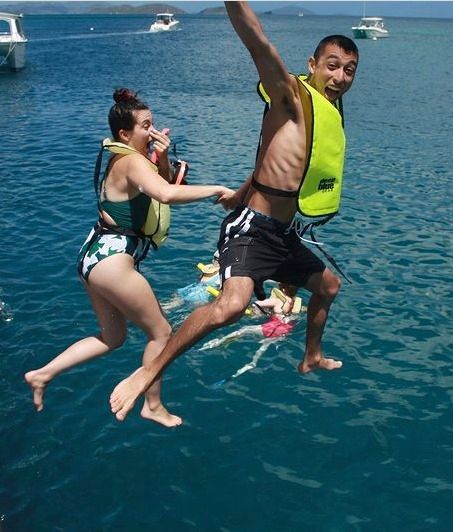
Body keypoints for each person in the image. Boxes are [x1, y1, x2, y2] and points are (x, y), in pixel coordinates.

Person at [109, 1, 359, 422]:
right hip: (253, 229)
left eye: (349, 70)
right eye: (331, 65)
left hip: (283, 233)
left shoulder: (329, 112)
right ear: (312, 64)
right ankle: (147, 371)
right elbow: (256, 38)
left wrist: (240, 190)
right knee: (229, 306)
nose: (338, 77)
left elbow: (277, 162)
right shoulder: (290, 95)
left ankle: (311, 356)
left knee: (328, 286)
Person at [24, 88, 234, 427]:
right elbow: (166, 192)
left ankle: (43, 374)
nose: (153, 132)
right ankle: (152, 404)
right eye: (145, 126)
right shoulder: (132, 161)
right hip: (113, 260)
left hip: (95, 257)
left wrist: (163, 159)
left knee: (113, 337)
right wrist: (218, 189)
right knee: (162, 332)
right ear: (125, 134)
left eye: (153, 124)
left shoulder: (123, 159)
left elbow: (157, 185)